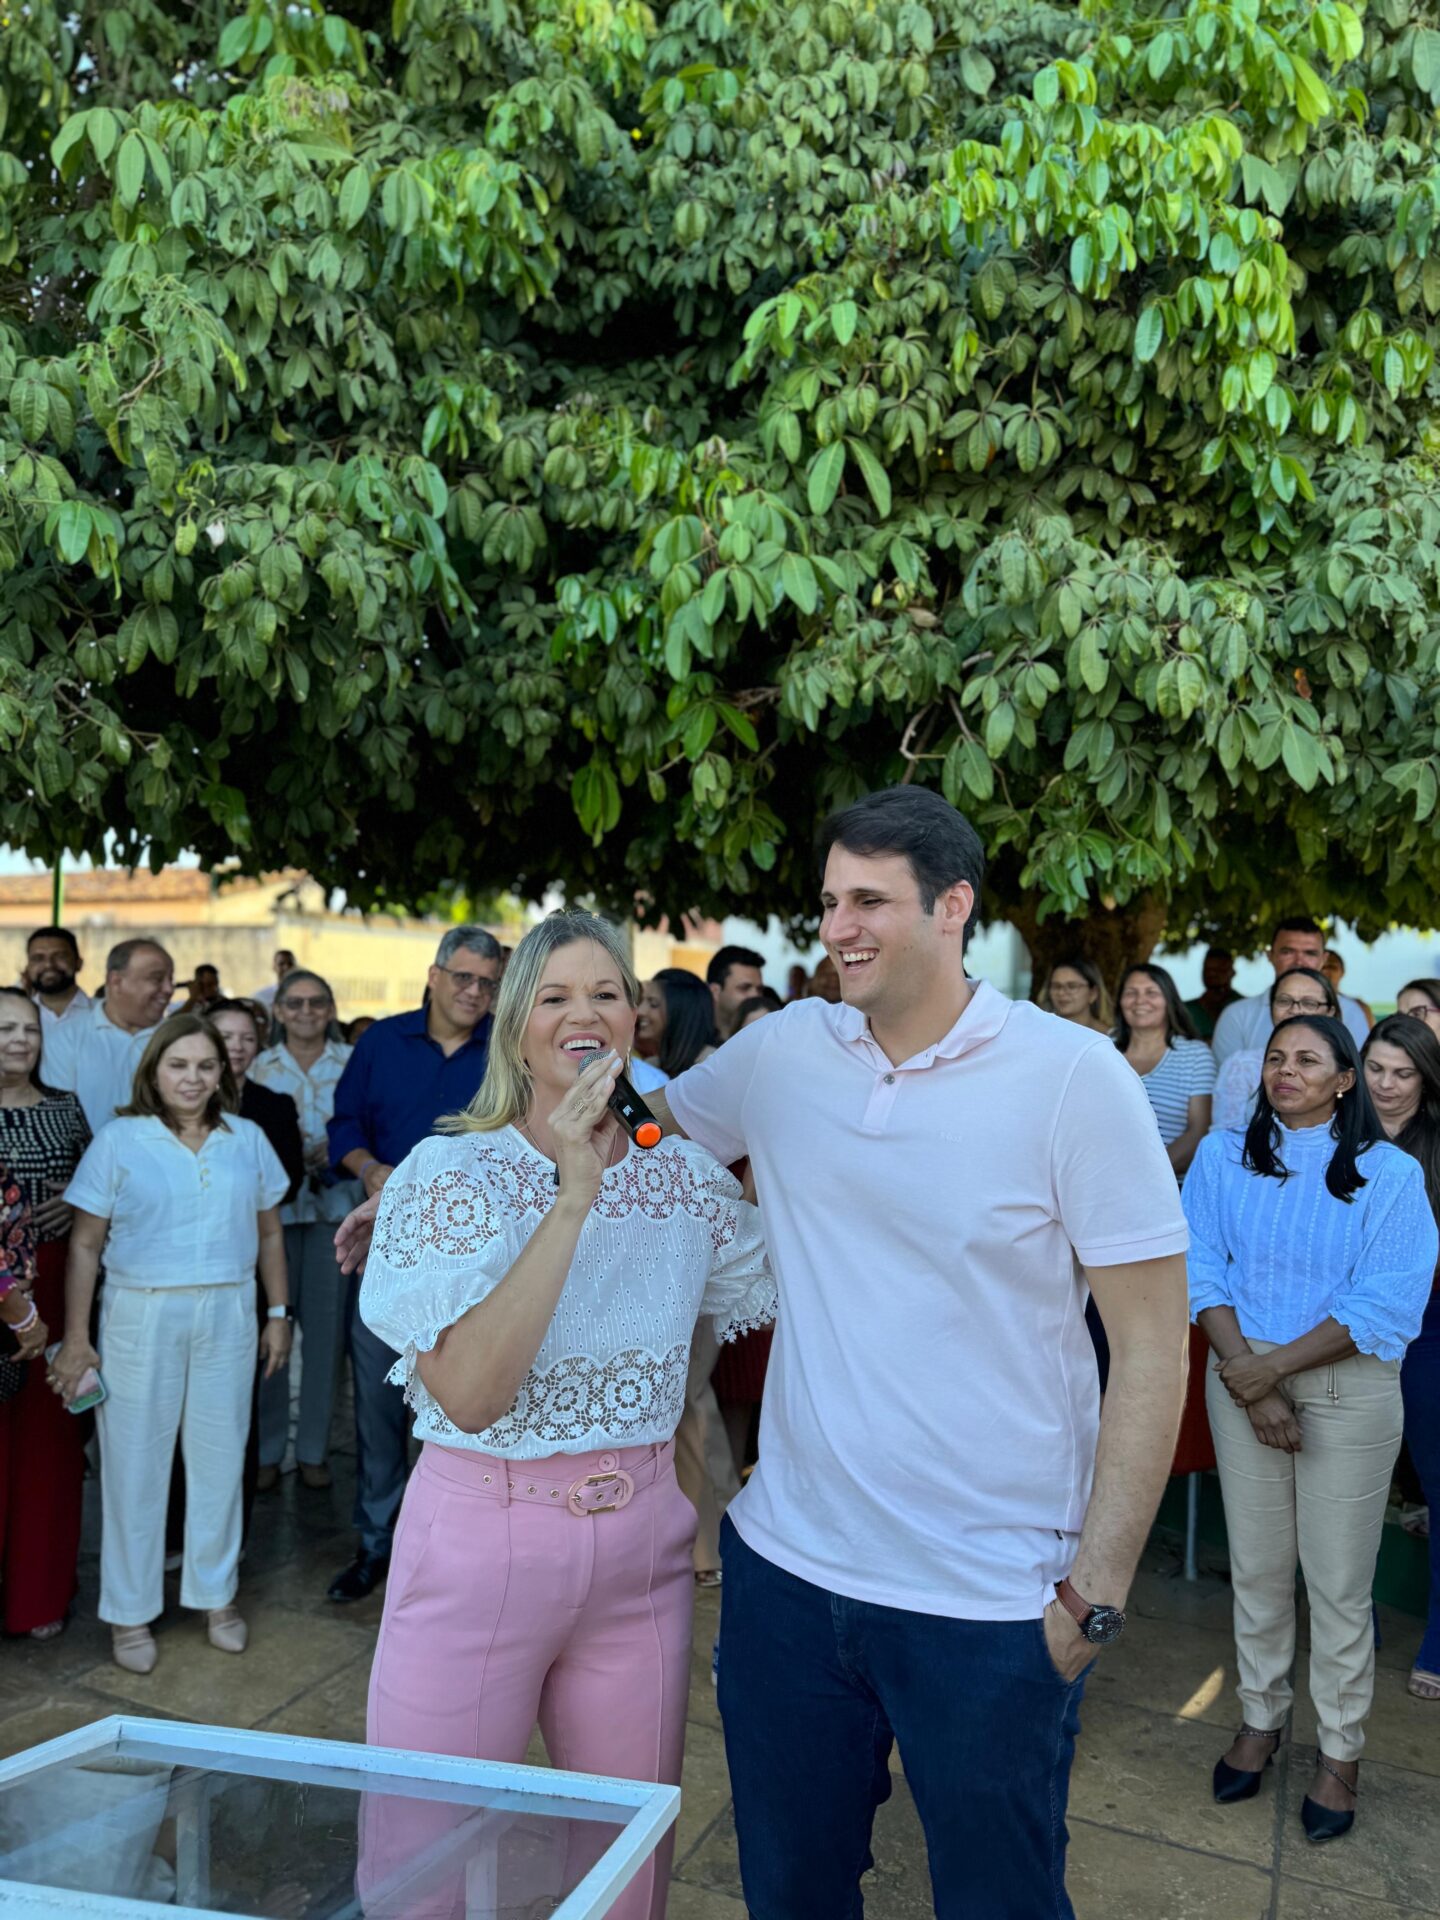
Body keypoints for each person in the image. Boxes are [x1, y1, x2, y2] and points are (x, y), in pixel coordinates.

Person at [627, 788, 1188, 1916]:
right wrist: (519, 1130)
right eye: (831, 901)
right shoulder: (784, 1051)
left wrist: (1096, 1596)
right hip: (789, 1581)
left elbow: (1151, 1345)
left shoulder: (1076, 1079)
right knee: (790, 1894)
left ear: (952, 909)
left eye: (870, 900)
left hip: (990, 1599)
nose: (839, 927)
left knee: (999, 1901)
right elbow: (652, 1133)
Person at [356, 911, 773, 1920]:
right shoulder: (446, 1175)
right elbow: (471, 1394)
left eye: (605, 994)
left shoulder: (684, 1180)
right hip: (479, 1546)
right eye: (553, 996)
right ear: (513, 1026)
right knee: (427, 1854)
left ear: (637, 1018)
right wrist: (573, 1194)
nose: (583, 1014)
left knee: (627, 1853)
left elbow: (775, 1289)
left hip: (641, 1554)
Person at [1184, 1015, 1437, 1841]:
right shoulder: (1222, 1156)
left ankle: (1340, 1751)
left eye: (1308, 1061)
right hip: (1239, 1373)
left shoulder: (1389, 1174)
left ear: (1344, 1082)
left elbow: (1386, 1299)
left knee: (1337, 1585)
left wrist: (1274, 1371)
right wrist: (1251, 1381)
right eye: (1275, 1058)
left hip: (1348, 1385)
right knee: (1257, 1570)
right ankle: (1260, 1719)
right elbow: (1199, 1264)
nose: (1285, 1070)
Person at [48, 1015, 293, 1675]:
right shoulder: (120, 1141)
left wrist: (278, 1313)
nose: (193, 1078)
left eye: (206, 1066)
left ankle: (216, 1597)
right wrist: (77, 1338)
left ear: (223, 1074)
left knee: (218, 1460)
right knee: (133, 1466)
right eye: (178, 1065)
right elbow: (86, 1245)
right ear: (155, 1070)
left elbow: (269, 1234)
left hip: (228, 1310)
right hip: (140, 1314)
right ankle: (129, 1612)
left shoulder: (247, 1140)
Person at [326, 925, 503, 1602]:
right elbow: (344, 1125)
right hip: (386, 1252)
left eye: (488, 982)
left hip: (474, 1266)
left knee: (461, 1410)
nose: (475, 992)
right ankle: (377, 1546)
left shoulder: (506, 1053)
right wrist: (368, 1168)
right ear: (433, 975)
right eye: (464, 977)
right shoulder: (380, 1042)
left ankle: (448, 1558)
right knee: (377, 1408)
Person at [165, 998, 302, 1549]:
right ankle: (173, 1535)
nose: (236, 1046)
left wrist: (278, 1312)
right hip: (167, 1286)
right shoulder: (149, 1125)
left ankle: (226, 1538)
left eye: (247, 1037)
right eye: (225, 1036)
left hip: (239, 1271)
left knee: (229, 1419)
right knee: (168, 1422)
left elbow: (280, 1191)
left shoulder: (265, 1113)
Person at [0, 990, 90, 1640]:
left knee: (51, 1444)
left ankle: (38, 1596)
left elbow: (95, 1192)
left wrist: (73, 1206)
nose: (19, 1039)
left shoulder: (65, 1107)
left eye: (28, 1028)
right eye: (5, 1028)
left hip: (56, 1286)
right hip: (4, 1288)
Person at [251, 971, 360, 1492]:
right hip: (272, 1215)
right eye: (295, 1003)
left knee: (325, 1336)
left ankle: (312, 1448)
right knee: (274, 1331)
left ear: (331, 1007)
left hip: (336, 1213)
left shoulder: (352, 1063)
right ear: (279, 1012)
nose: (306, 1012)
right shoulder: (258, 1066)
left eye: (317, 1002)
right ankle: (269, 1448)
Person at [1361, 1014, 1440, 1702]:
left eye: (1403, 1073)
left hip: (1430, 1328)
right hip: (1338, 1329)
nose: (1386, 1086)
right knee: (1348, 1482)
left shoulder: (1436, 1145)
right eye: (1376, 1069)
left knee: (1437, 1483)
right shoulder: (1336, 1133)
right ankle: (1353, 1621)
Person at [44, 938, 175, 1133]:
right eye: (156, 979)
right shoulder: (66, 1037)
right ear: (116, 982)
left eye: (170, 979)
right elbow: (57, 1121)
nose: (169, 989)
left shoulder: (179, 1040)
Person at [1212, 919, 1370, 1063]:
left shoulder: (1350, 1012)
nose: (1299, 961)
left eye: (1310, 953)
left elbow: (1357, 1079)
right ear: (1270, 955)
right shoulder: (1237, 1016)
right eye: (1287, 952)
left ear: (1324, 959)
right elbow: (1229, 1086)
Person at [1113, 964, 1215, 1178]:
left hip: (1165, 1185)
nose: (1140, 1000)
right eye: (1131, 992)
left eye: (1151, 992)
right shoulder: (1102, 1048)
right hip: (1099, 1180)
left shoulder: (1196, 1054)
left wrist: (1146, 1175)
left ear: (1169, 1001)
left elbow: (1198, 1131)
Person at [1210, 968, 1338, 1133]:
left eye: (1309, 1003)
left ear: (1330, 1012)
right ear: (1271, 1008)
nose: (1296, 1010)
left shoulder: (1343, 1066)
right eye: (1284, 1001)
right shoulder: (1241, 1065)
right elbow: (1224, 1140)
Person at [637, 969, 719, 1084]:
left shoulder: (711, 1064)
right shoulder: (650, 1065)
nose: (640, 1011)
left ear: (681, 1011)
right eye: (641, 1001)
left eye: (653, 1004)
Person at [23, 927, 88, 1033]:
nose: (49, 964)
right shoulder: (14, 1017)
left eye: (60, 956)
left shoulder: (106, 1016)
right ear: (28, 967)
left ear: (78, 963)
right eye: (38, 958)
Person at [1039, 956, 1114, 1034]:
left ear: (1093, 993)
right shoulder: (1041, 1032)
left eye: (1072, 986)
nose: (1061, 993)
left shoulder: (1110, 1039)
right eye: (1056, 986)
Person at [707, 945, 765, 1041]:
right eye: (744, 988)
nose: (755, 995)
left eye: (759, 989)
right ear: (715, 992)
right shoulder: (694, 1048)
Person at [1184, 947, 1240, 1042]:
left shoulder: (1244, 1007)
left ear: (1233, 972)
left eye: (1219, 970)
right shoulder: (1186, 1010)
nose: (1212, 974)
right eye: (1208, 969)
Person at [1323, 949, 1373, 1028]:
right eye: (1322, 967)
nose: (1326, 971)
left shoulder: (1360, 1008)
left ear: (1342, 972)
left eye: (1332, 967)